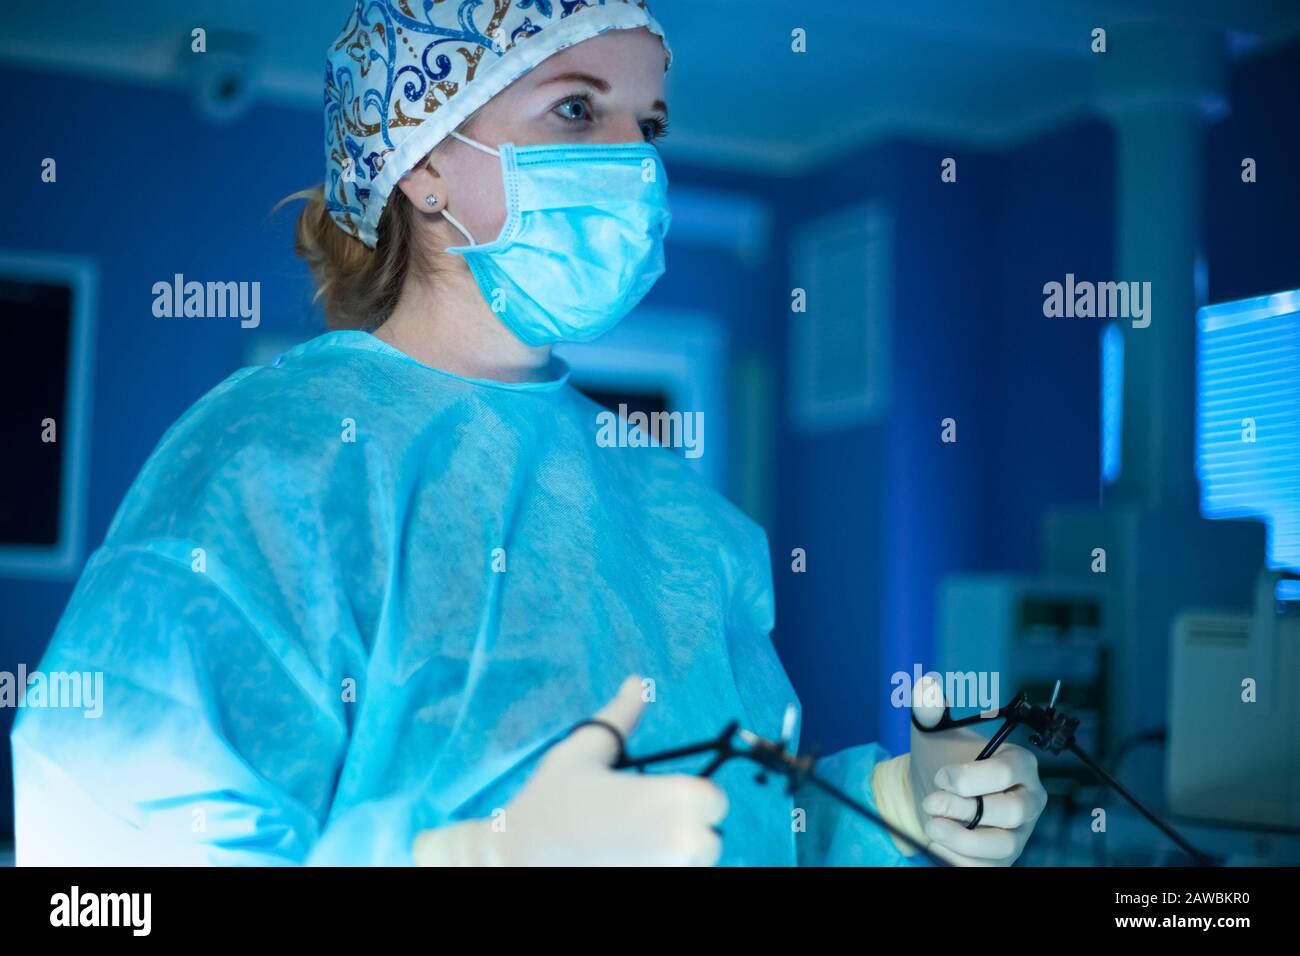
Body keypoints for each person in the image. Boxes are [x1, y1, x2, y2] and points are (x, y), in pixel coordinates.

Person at [11, 0, 1046, 866]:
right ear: (423, 164)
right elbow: (110, 851)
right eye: (576, 107)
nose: (632, 163)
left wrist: (900, 802)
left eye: (648, 125)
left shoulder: (675, 507)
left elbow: (732, 817)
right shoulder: (267, 461)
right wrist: (484, 854)